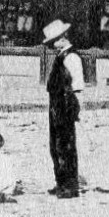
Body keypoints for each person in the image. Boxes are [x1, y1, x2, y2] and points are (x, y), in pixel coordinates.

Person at [42, 19, 84, 198]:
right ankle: (60, 182)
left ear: (63, 38)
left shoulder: (72, 57)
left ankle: (70, 185)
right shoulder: (61, 57)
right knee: (56, 146)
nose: (53, 46)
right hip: (56, 105)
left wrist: (73, 110)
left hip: (66, 105)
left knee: (66, 146)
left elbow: (77, 85)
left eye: (54, 41)